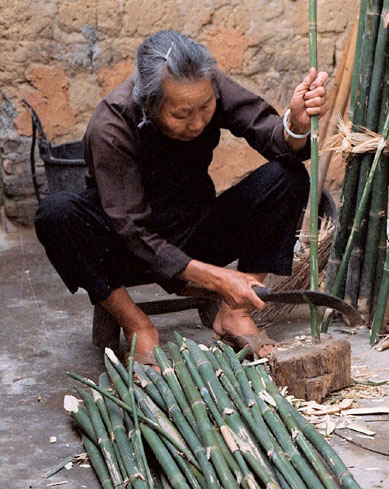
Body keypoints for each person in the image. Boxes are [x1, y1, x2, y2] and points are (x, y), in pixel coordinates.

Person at [35, 29, 329, 363]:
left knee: (287, 176)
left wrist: (297, 127)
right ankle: (137, 326)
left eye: (206, 108)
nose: (198, 122)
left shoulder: (203, 85)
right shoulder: (112, 123)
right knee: (56, 213)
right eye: (181, 115)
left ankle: (235, 311)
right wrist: (219, 279)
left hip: (195, 231)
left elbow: (272, 136)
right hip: (125, 250)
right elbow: (132, 230)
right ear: (149, 103)